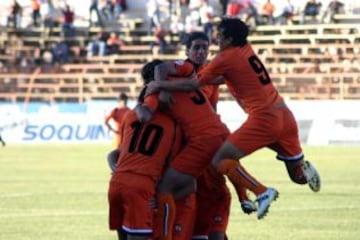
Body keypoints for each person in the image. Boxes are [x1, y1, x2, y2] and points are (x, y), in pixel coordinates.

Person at [146, 18, 321, 220]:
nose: (217, 40)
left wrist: (161, 86)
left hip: (264, 119)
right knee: (297, 178)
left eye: (220, 36)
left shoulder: (223, 59)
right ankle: (305, 172)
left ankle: (261, 191)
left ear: (229, 39)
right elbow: (228, 76)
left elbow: (192, 85)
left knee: (220, 159)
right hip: (285, 115)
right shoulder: (246, 48)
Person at [108, 61, 195, 240]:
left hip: (117, 184)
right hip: (144, 188)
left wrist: (120, 171)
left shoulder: (132, 114)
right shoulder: (174, 123)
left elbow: (115, 154)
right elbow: (183, 177)